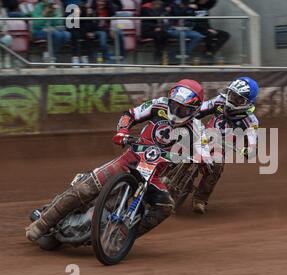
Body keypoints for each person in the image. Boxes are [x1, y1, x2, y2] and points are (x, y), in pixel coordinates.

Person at [26, 79, 207, 242]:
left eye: (182, 109)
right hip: (130, 159)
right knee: (88, 186)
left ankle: (122, 238)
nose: (176, 111)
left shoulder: (197, 128)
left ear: (195, 109)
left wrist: (200, 159)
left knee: (166, 207)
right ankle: (41, 224)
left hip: (153, 174)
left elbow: (205, 150)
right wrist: (122, 131)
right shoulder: (158, 105)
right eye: (174, 105)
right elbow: (130, 115)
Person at [192, 77, 259, 214]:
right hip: (203, 134)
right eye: (231, 94)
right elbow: (200, 109)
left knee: (217, 165)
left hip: (220, 146)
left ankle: (200, 199)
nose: (232, 99)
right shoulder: (220, 101)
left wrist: (249, 150)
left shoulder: (250, 121)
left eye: (237, 98)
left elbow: (252, 141)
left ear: (247, 102)